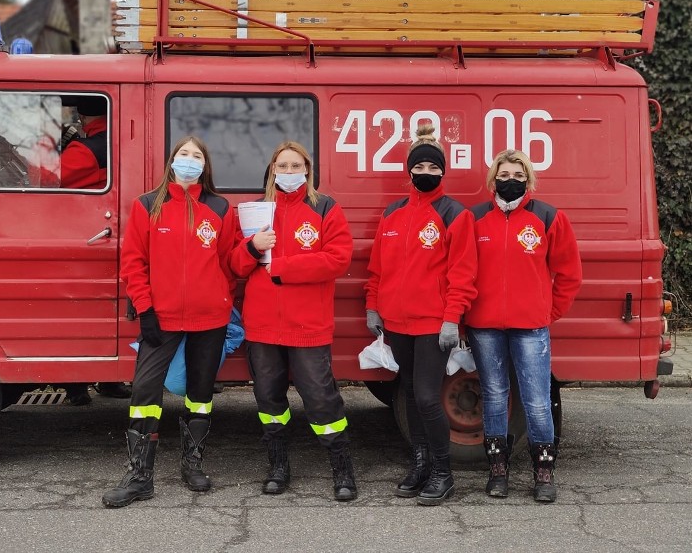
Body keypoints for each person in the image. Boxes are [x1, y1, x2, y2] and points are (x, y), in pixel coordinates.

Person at [102, 136, 237, 508]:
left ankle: (192, 464)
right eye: (184, 155)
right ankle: (139, 477)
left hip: (210, 318)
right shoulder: (148, 205)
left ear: (205, 166)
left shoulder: (221, 208)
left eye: (197, 155)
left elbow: (229, 263)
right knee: (145, 393)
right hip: (160, 319)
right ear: (172, 162)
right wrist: (145, 309)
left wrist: (252, 252)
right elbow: (133, 263)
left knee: (201, 393)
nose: (190, 161)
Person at [231, 141, 356, 501]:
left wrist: (282, 267)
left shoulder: (325, 207)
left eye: (294, 166)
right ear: (272, 170)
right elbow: (235, 265)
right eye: (281, 166)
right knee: (269, 399)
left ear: (307, 170)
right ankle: (278, 465)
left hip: (308, 325)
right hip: (263, 325)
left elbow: (338, 259)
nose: (288, 172)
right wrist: (253, 246)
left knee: (321, 400)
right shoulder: (255, 211)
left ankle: (342, 467)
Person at [364, 124, 477, 506]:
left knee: (429, 397)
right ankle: (421, 464)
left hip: (433, 324)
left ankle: (444, 473)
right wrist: (373, 305)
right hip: (397, 323)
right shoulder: (392, 214)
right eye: (420, 166)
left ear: (443, 172)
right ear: (408, 170)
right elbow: (377, 267)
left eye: (433, 167)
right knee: (411, 392)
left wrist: (452, 318)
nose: (426, 172)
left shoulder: (454, 214)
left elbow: (463, 273)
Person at [465, 149, 582, 503]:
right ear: (493, 179)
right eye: (504, 174)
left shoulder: (548, 217)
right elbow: (461, 271)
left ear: (528, 179)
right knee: (495, 398)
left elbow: (569, 274)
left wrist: (547, 312)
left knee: (536, 401)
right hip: (484, 327)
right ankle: (498, 472)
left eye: (518, 174)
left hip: (531, 327)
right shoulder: (475, 218)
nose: (510, 180)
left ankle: (543, 474)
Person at [57, 96, 130, 404]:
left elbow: (48, 178)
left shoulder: (84, 150)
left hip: (83, 237)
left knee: (77, 312)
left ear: (85, 119)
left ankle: (76, 385)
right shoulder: (120, 142)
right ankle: (109, 379)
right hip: (110, 234)